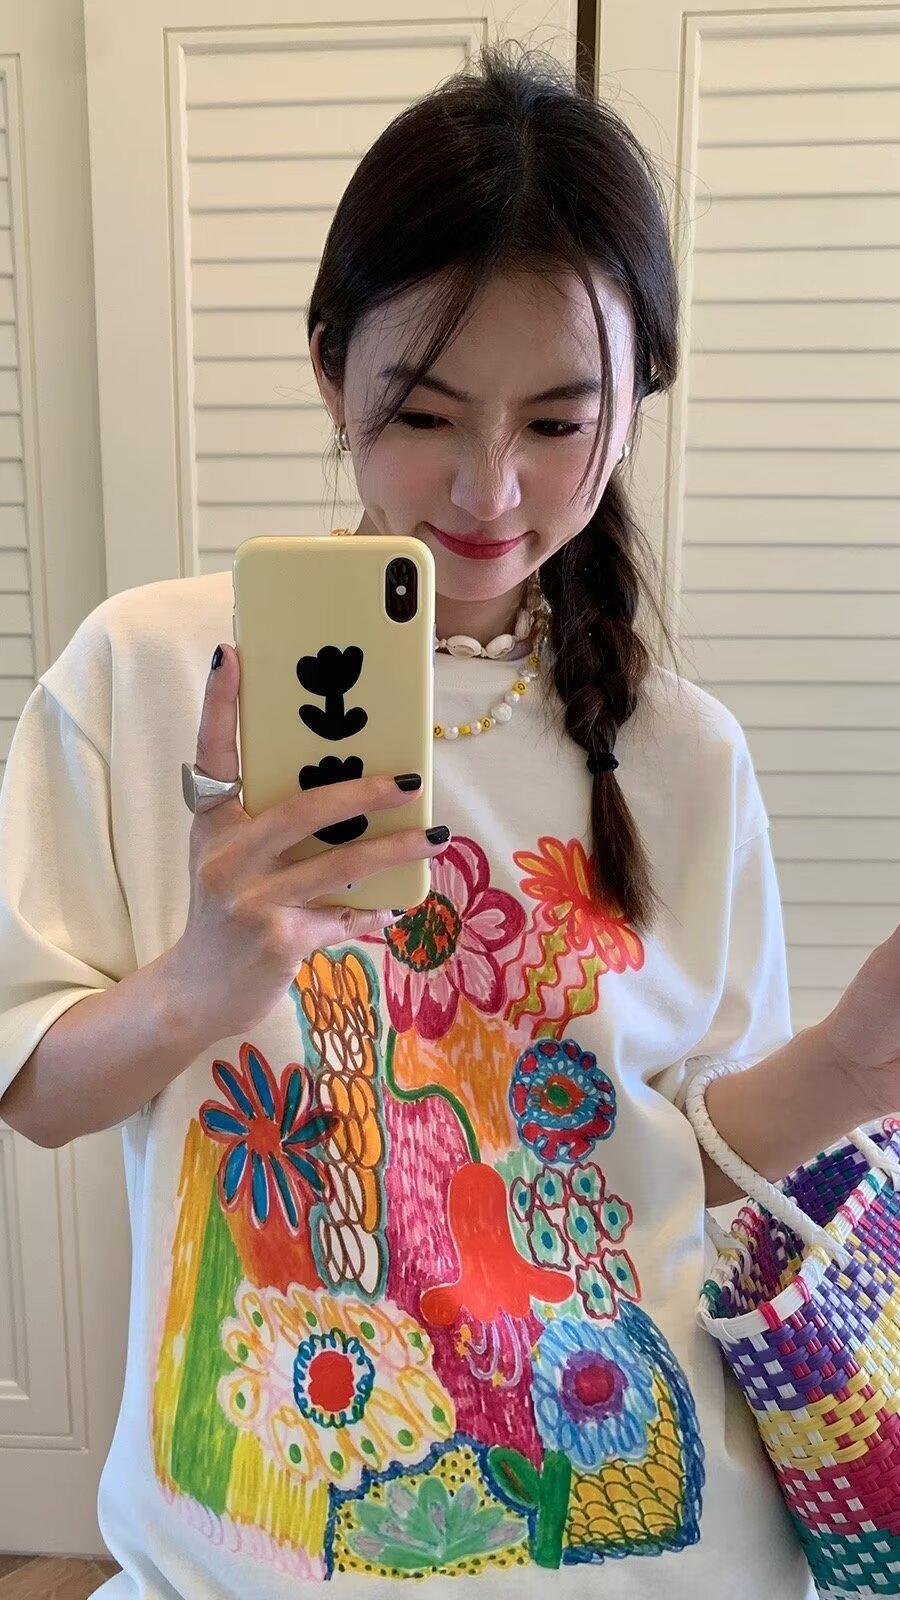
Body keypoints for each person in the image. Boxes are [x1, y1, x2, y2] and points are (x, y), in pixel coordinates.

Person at [0, 37, 896, 1600]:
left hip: (646, 1540)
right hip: (261, 1535)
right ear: (329, 366)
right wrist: (203, 983)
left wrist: (853, 1064)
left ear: (635, 402)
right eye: (425, 412)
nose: (489, 492)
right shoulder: (149, 672)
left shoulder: (685, 751)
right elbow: (34, 1088)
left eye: (558, 423)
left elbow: (688, 1164)